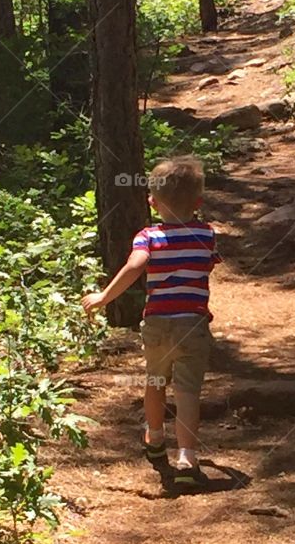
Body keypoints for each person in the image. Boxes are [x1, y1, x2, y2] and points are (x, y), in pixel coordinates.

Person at [82, 156, 218, 484]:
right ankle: (186, 458)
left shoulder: (148, 237)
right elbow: (209, 264)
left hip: (158, 323)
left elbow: (136, 265)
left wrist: (104, 297)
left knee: (155, 382)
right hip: (193, 325)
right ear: (198, 202)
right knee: (188, 392)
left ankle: (155, 438)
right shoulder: (206, 234)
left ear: (152, 202)